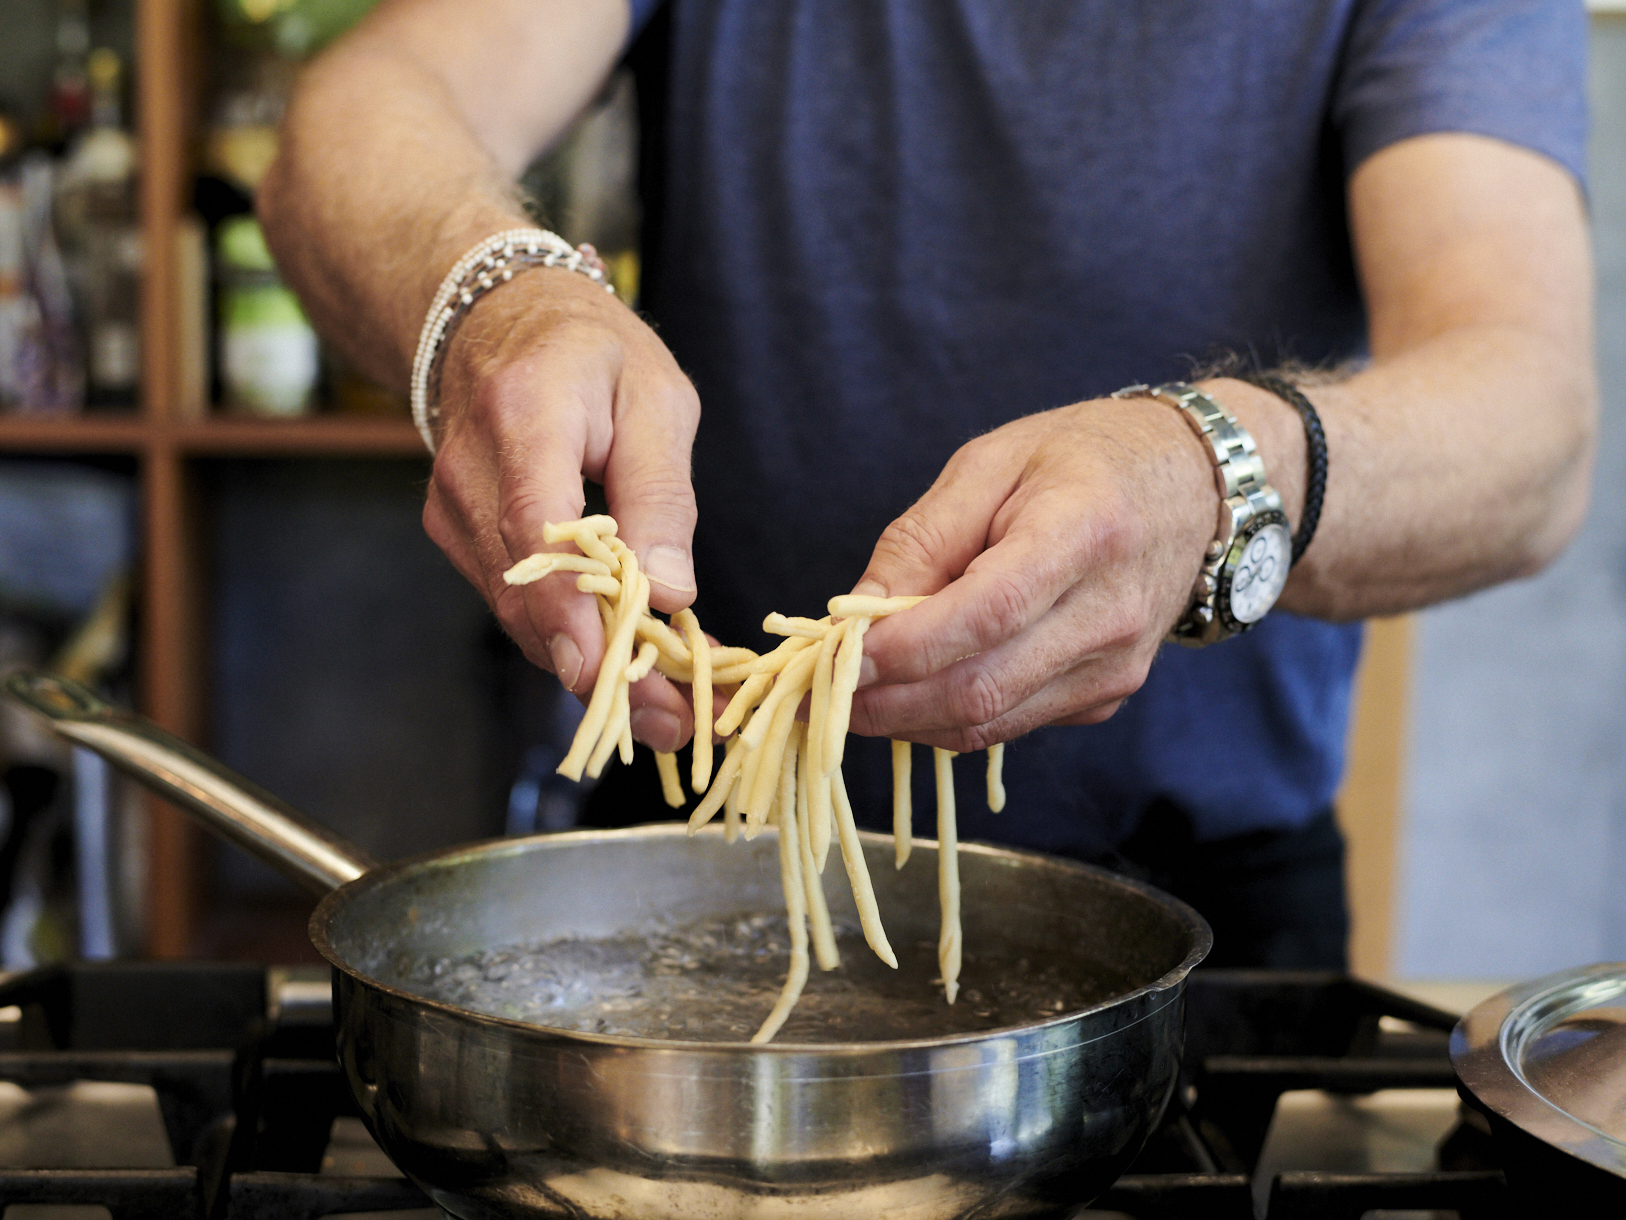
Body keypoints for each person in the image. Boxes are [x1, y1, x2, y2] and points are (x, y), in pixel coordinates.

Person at [258, 0, 1595, 968]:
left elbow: (1530, 430)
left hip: (1194, 922)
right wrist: (495, 300)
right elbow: (362, 109)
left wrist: (1214, 471)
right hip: (686, 844)